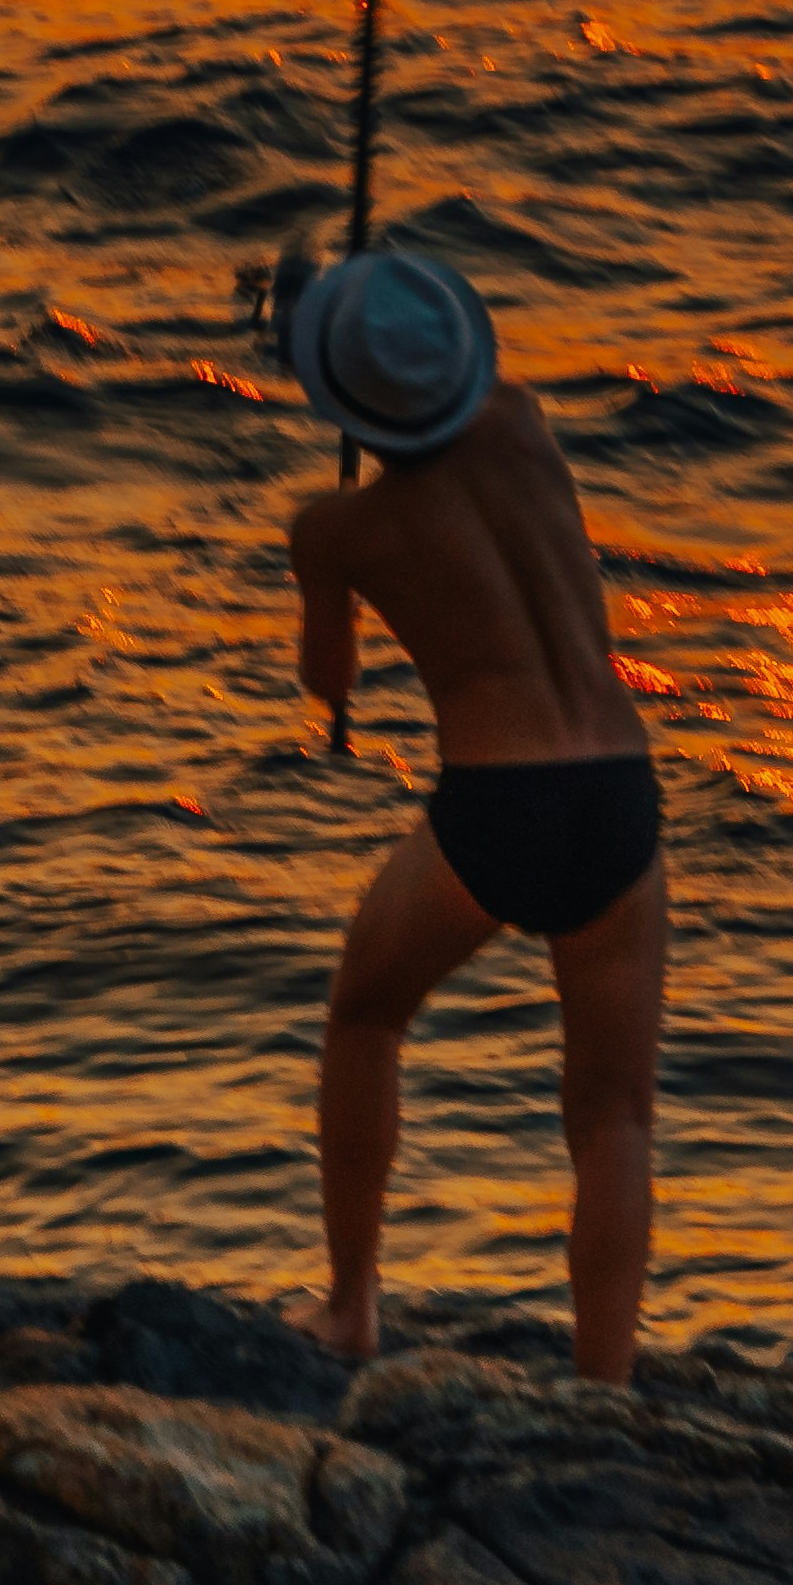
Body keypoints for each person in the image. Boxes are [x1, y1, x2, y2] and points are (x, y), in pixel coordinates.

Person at [279, 242, 666, 1385]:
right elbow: (426, 377)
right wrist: (350, 320)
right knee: (612, 1112)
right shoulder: (525, 427)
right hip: (616, 790)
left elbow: (329, 684)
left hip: (499, 801)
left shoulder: (332, 529)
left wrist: (337, 578)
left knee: (366, 1013)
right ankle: (606, 1387)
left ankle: (351, 1307)